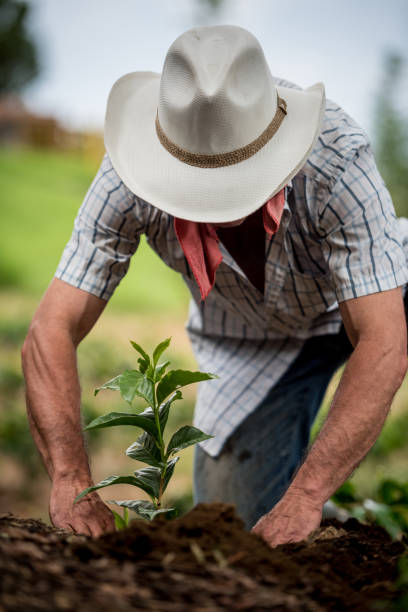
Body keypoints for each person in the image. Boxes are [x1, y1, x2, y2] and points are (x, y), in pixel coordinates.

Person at [22, 25, 408, 546]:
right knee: (240, 531)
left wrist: (305, 498)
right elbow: (51, 328)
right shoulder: (128, 175)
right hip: (250, 339)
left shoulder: (337, 160)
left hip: (376, 299)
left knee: (295, 507)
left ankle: (329, 500)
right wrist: (71, 481)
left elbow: (385, 341)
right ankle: (331, 512)